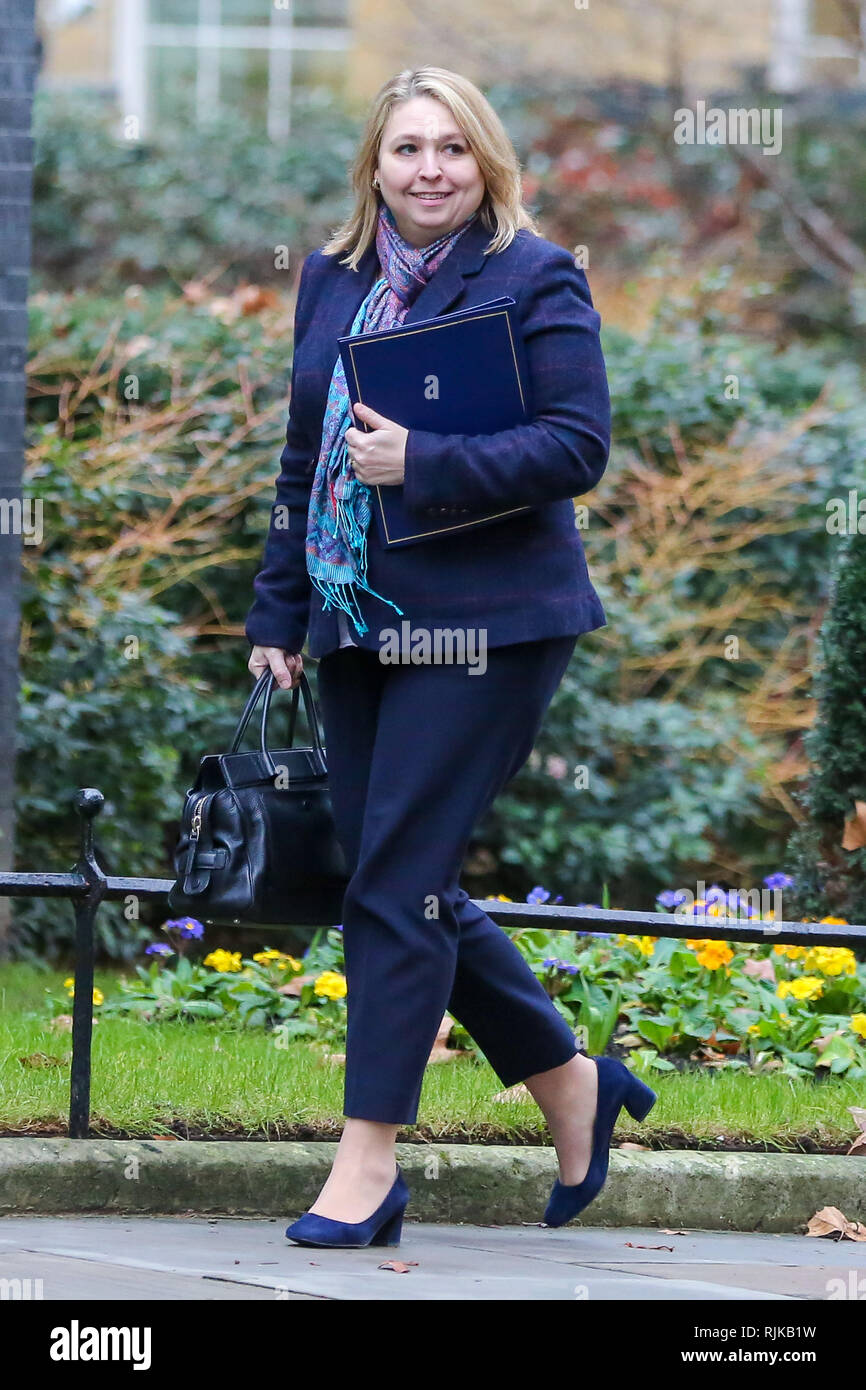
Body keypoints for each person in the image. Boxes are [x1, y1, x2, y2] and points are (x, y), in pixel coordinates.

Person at [245, 65, 655, 1249]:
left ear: (486, 164)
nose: (429, 170)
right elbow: (300, 458)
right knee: (398, 870)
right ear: (373, 164)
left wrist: (422, 462)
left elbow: (575, 445)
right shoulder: (333, 278)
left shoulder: (533, 276)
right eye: (407, 148)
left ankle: (366, 1164)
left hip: (489, 626)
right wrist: (278, 613)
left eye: (452, 150)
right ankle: (572, 1084)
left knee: (388, 880)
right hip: (354, 614)